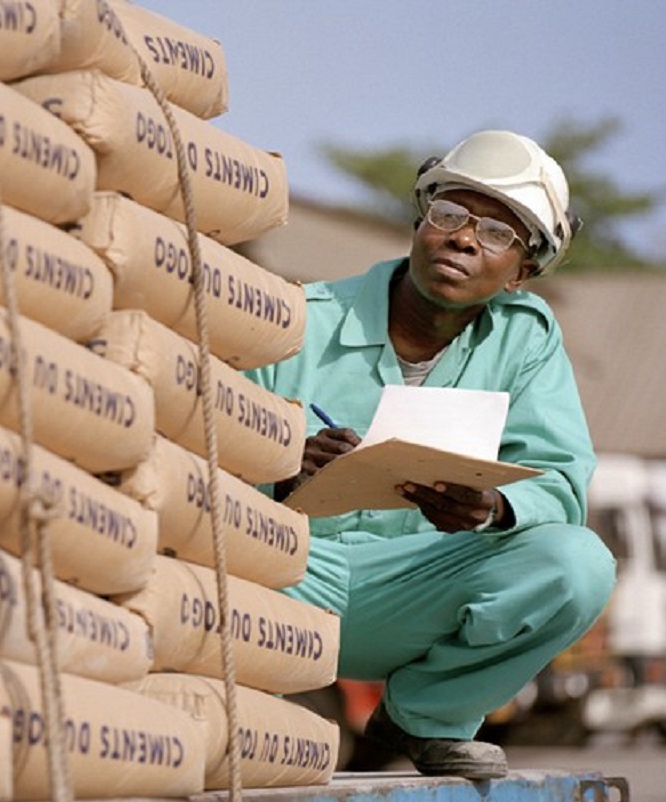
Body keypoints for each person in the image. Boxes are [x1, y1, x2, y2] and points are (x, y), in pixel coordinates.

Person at [245, 130, 616, 779]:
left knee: (579, 563)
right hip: (289, 575)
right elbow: (204, 459)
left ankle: (424, 716)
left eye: (498, 233)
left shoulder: (526, 343)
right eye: (450, 215)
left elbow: (561, 484)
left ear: (523, 272)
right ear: (421, 223)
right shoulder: (297, 319)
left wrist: (492, 508)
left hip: (418, 589)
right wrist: (280, 466)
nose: (464, 238)